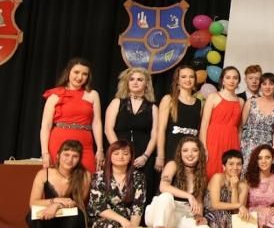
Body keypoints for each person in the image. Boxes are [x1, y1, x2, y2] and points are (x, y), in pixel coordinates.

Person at [147, 136, 214, 228]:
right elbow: (163, 187)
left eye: (194, 150)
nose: (190, 154)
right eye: (185, 150)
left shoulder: (201, 173)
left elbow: (199, 201)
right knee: (166, 197)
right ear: (180, 152)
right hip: (161, 213)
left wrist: (199, 216)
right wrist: (189, 196)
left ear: (200, 152)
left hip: (183, 215)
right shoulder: (172, 165)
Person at [26, 140, 89, 228]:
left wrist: (56, 206)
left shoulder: (85, 175)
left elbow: (78, 202)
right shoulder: (44, 174)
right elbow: (33, 202)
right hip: (51, 221)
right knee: (32, 213)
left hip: (73, 223)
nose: (70, 159)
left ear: (79, 159)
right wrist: (54, 201)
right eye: (66, 155)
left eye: (75, 156)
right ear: (58, 156)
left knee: (76, 214)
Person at [86, 141, 146, 228]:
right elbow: (99, 207)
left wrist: (133, 227)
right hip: (103, 217)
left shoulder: (138, 177)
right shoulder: (99, 177)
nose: (121, 157)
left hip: (129, 219)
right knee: (109, 225)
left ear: (131, 157)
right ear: (109, 156)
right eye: (116, 153)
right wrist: (122, 220)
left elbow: (138, 206)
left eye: (125, 154)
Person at [40, 57, 102, 174]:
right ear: (68, 72)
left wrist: (100, 149)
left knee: (87, 179)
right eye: (76, 72)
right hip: (59, 142)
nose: (80, 77)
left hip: (85, 143)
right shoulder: (55, 96)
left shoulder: (93, 95)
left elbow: (97, 123)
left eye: (84, 74)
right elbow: (46, 126)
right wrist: (45, 153)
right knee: (60, 182)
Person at [104, 67, 158, 197]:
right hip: (118, 153)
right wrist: (120, 153)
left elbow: (155, 134)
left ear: (146, 84)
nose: (135, 82)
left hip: (142, 156)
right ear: (126, 83)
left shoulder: (153, 107)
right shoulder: (117, 102)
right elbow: (108, 129)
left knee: (142, 193)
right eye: (132, 79)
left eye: (140, 79)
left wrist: (145, 156)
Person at [204, 150, 252, 228]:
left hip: (229, 214)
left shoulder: (243, 185)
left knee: (235, 219)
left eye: (238, 164)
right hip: (210, 212)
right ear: (224, 166)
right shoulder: (218, 178)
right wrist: (240, 205)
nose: (235, 167)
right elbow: (215, 204)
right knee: (223, 217)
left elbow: (235, 211)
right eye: (231, 164)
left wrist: (234, 187)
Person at [156, 65, 201, 175]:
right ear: (177, 80)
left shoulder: (199, 103)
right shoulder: (169, 99)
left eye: (191, 77)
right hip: (172, 149)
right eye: (184, 77)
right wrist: (160, 156)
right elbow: (161, 130)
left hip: (190, 153)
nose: (188, 80)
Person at [200, 66, 244, 178]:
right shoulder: (213, 97)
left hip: (232, 141)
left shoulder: (241, 101)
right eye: (228, 77)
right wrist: (204, 147)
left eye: (235, 78)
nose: (231, 80)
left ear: (238, 81)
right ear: (223, 80)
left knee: (229, 176)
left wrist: (238, 148)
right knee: (210, 172)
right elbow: (204, 125)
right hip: (214, 140)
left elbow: (239, 129)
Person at [240, 72, 274, 171]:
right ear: (260, 86)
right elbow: (240, 128)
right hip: (247, 147)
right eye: (264, 84)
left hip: (266, 151)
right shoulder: (250, 102)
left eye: (271, 84)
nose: (267, 87)